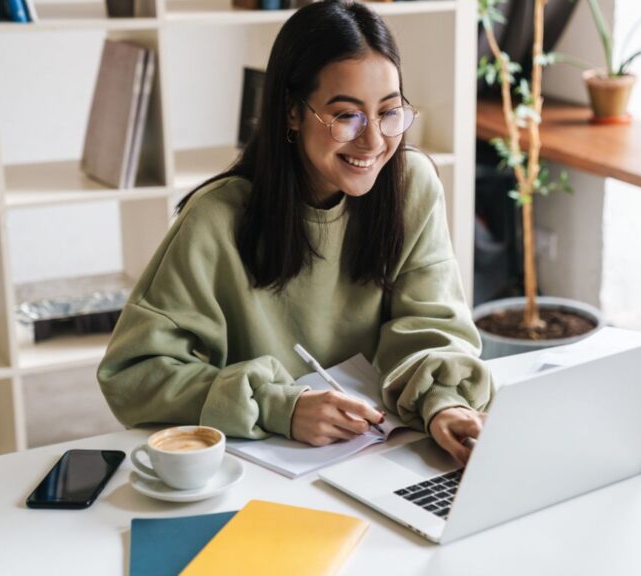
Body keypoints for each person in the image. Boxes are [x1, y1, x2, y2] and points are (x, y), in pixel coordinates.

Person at [97, 0, 491, 465]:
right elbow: (134, 375)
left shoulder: (412, 187)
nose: (374, 141)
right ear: (291, 112)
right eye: (347, 116)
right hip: (258, 469)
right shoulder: (216, 219)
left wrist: (445, 401)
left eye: (389, 112)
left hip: (382, 455)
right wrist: (280, 406)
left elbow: (431, 327)